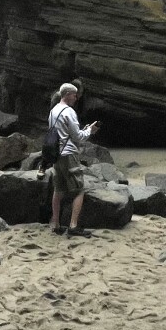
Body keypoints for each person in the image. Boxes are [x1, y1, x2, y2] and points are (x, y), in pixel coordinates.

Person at [48, 83, 100, 239]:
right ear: (68, 94)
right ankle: (73, 226)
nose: (76, 98)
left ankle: (56, 224)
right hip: (69, 155)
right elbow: (78, 137)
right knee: (78, 190)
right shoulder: (69, 112)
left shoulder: (53, 110)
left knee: (58, 189)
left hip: (56, 154)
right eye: (75, 95)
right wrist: (90, 130)